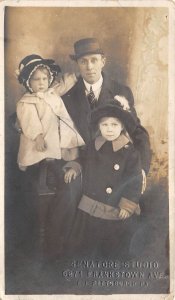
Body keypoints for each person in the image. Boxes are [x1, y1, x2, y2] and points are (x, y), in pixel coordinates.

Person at [15, 54, 85, 255]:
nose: (41, 83)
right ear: (28, 82)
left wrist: (75, 76)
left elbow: (63, 86)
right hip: (40, 144)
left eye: (44, 79)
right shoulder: (27, 102)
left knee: (63, 157)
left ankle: (63, 233)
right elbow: (29, 121)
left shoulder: (52, 93)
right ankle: (45, 242)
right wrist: (37, 136)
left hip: (57, 142)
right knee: (44, 163)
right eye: (36, 80)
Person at [62, 38, 152, 189]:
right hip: (82, 163)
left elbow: (136, 131)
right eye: (83, 61)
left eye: (94, 60)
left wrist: (141, 167)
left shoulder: (121, 91)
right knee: (68, 198)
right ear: (77, 64)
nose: (89, 67)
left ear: (103, 61)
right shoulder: (67, 96)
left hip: (114, 163)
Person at [65, 100, 143, 259]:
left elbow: (135, 181)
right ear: (99, 127)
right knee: (88, 243)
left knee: (111, 246)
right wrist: (75, 167)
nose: (109, 129)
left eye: (114, 125)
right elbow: (84, 160)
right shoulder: (94, 145)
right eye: (105, 125)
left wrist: (127, 205)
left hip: (113, 206)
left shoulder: (130, 152)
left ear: (122, 127)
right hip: (90, 205)